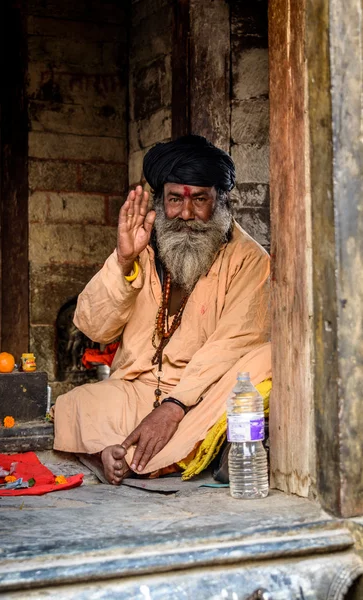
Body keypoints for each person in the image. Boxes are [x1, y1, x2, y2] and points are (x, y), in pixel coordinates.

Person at [53, 135, 271, 485]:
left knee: (265, 358)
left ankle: (159, 450)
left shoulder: (249, 260)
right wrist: (123, 260)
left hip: (200, 400)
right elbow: (94, 328)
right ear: (160, 200)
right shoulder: (143, 247)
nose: (186, 214)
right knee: (76, 403)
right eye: (175, 200)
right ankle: (114, 453)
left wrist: (174, 407)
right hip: (137, 391)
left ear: (222, 201)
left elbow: (233, 344)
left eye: (200, 199)